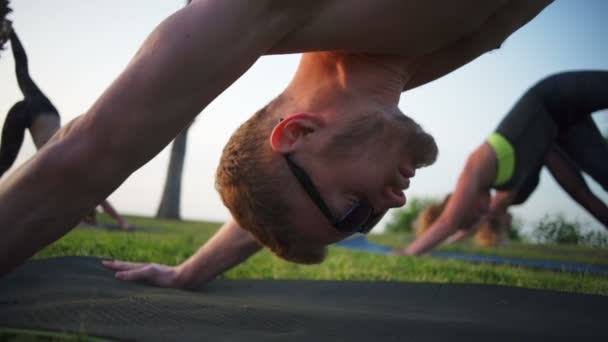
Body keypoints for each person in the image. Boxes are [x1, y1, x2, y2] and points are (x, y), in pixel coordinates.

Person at [0, 0, 553, 277]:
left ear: (298, 132)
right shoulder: (394, 69)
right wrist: (189, 273)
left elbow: (87, 154)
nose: (394, 203)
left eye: (352, 210)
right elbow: (280, 203)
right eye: (363, 222)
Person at [401, 70, 608, 256]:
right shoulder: (497, 185)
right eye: (475, 223)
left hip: (556, 95)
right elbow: (580, 193)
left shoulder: (475, 168)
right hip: (560, 126)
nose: (481, 216)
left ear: (460, 203)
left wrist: (407, 254)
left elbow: (448, 222)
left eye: (472, 218)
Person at [0, 29, 134, 231]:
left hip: (44, 114)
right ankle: (9, 30)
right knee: (23, 74)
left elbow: (101, 200)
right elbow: (101, 201)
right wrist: (120, 222)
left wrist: (120, 222)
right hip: (36, 112)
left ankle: (10, 31)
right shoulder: (72, 179)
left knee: (23, 73)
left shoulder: (73, 178)